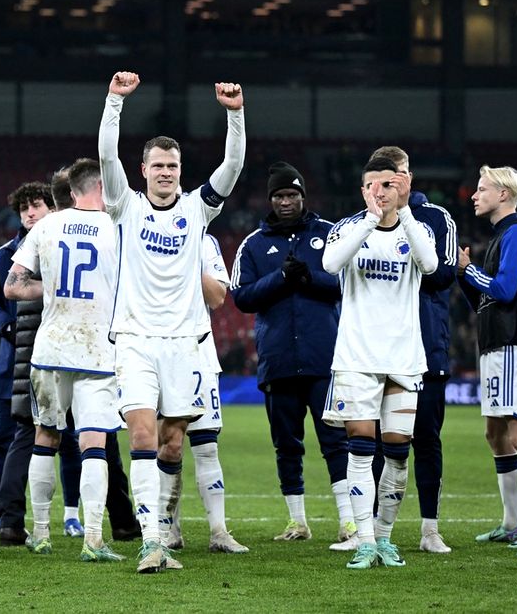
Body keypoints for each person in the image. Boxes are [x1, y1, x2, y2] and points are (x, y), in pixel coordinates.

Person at [99, 71, 245, 573]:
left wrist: (234, 113)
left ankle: (165, 524)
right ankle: (151, 542)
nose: (166, 172)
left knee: (173, 442)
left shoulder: (198, 210)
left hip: (185, 344)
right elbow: (106, 156)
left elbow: (232, 165)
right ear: (143, 170)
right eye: (158, 165)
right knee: (142, 435)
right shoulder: (125, 206)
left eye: (173, 165)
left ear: (181, 170)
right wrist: (114, 101)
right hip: (135, 339)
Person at [0, 168, 137, 548]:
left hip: (50, 348)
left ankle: (41, 534)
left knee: (45, 436)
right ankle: (93, 539)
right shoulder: (117, 228)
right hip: (97, 350)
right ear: (101, 186)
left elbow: (12, 287)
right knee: (94, 443)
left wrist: (53, 287)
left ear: (72, 191)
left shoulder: (47, 226)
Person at [230, 161, 356, 551]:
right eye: (279, 196)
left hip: (324, 359)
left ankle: (348, 522)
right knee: (286, 444)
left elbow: (347, 283)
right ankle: (297, 521)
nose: (286, 202)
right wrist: (281, 278)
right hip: (279, 360)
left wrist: (308, 278)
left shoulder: (331, 233)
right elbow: (241, 297)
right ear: (270, 199)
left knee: (335, 441)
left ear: (303, 196)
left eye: (292, 195)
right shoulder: (253, 244)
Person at [321, 156, 438, 569]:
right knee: (359, 449)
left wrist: (403, 211)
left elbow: (431, 265)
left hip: (403, 360)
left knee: (398, 451)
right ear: (363, 190)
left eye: (389, 184)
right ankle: (365, 541)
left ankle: (385, 537)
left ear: (402, 186)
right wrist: (370, 220)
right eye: (374, 185)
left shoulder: (417, 228)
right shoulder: (348, 228)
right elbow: (330, 264)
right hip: (356, 358)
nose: (381, 191)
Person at [0, 182, 83, 535]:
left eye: (37, 205)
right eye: (24, 208)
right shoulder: (6, 255)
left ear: (52, 208)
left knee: (69, 438)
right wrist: (8, 327)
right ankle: (2, 513)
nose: (30, 213)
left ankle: (71, 515)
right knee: (4, 438)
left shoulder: (69, 249)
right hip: (14, 363)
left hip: (64, 359)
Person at [456, 165, 517, 553]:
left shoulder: (516, 233)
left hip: (513, 342)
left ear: (504, 194)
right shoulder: (500, 236)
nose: (474, 195)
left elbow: (506, 290)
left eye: (482, 189)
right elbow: (486, 300)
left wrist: (469, 269)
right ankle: (512, 524)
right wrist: (464, 276)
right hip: (495, 342)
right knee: (495, 434)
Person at [369, 146, 459, 554]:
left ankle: (430, 529)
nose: (393, 184)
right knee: (373, 441)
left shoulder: (436, 218)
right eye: (385, 179)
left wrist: (404, 219)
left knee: (425, 438)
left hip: (426, 345)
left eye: (399, 175)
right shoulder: (363, 222)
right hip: (378, 349)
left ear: (410, 176)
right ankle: (371, 530)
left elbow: (443, 274)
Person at [163, 232, 249, 554]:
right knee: (167, 447)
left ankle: (219, 532)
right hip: (156, 354)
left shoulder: (204, 241)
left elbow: (217, 298)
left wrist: (184, 260)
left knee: (207, 447)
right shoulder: (138, 232)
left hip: (198, 354)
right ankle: (169, 531)